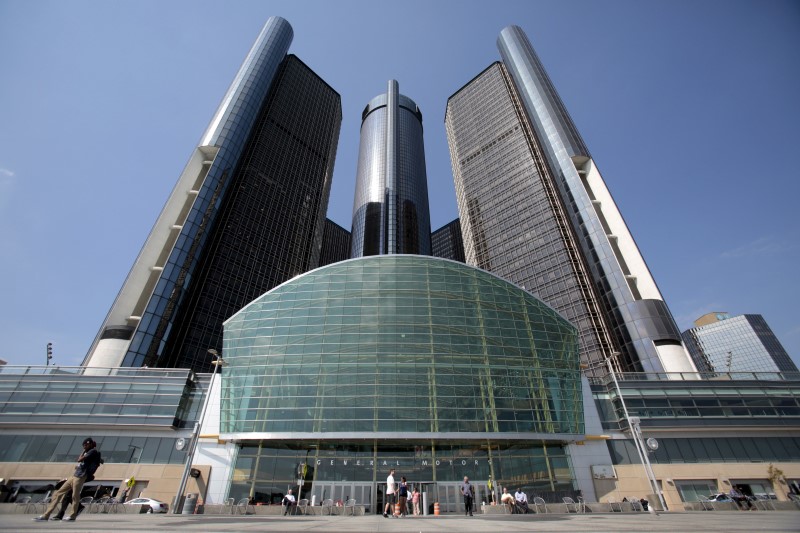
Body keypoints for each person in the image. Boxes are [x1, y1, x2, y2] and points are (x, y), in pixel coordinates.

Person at [34, 438, 102, 522]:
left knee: (75, 496)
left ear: (91, 444)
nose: (85, 447)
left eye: (86, 445)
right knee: (58, 493)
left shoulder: (93, 451)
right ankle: (46, 515)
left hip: (81, 476)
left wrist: (83, 451)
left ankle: (72, 516)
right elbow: (82, 462)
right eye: (84, 445)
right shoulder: (88, 452)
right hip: (74, 476)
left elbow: (79, 459)